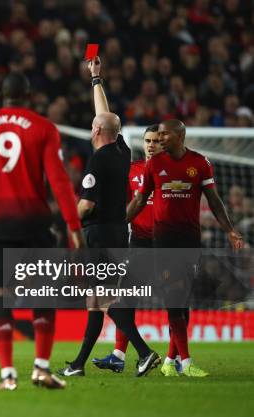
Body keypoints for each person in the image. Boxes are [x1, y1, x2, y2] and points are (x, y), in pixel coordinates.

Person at [0, 72, 84, 390]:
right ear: (28, 95)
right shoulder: (44, 128)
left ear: (1, 95)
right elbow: (59, 182)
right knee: (42, 295)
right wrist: (74, 227)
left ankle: (7, 375)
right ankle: (42, 369)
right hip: (33, 222)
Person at [59, 57, 160, 378]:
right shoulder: (122, 153)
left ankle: (144, 352)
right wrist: (96, 79)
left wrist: (68, 220)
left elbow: (85, 206)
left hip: (99, 234)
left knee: (103, 299)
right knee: (94, 299)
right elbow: (104, 117)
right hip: (119, 232)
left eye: (93, 126)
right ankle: (78, 365)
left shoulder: (98, 162)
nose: (90, 128)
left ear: (98, 131)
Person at [127, 119, 244, 377]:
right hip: (164, 240)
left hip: (190, 240)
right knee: (173, 298)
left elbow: (214, 200)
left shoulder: (200, 163)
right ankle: (186, 362)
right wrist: (119, 224)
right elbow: (139, 200)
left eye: (164, 136)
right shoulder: (154, 165)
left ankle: (170, 360)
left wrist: (229, 230)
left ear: (179, 136)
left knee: (182, 302)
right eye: (155, 138)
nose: (159, 141)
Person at [92, 124, 162, 372]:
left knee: (177, 304)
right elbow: (120, 204)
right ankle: (119, 355)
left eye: (156, 141)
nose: (151, 145)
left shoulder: (173, 172)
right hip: (139, 244)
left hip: (167, 245)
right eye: (148, 141)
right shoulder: (132, 171)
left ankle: (177, 359)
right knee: (123, 300)